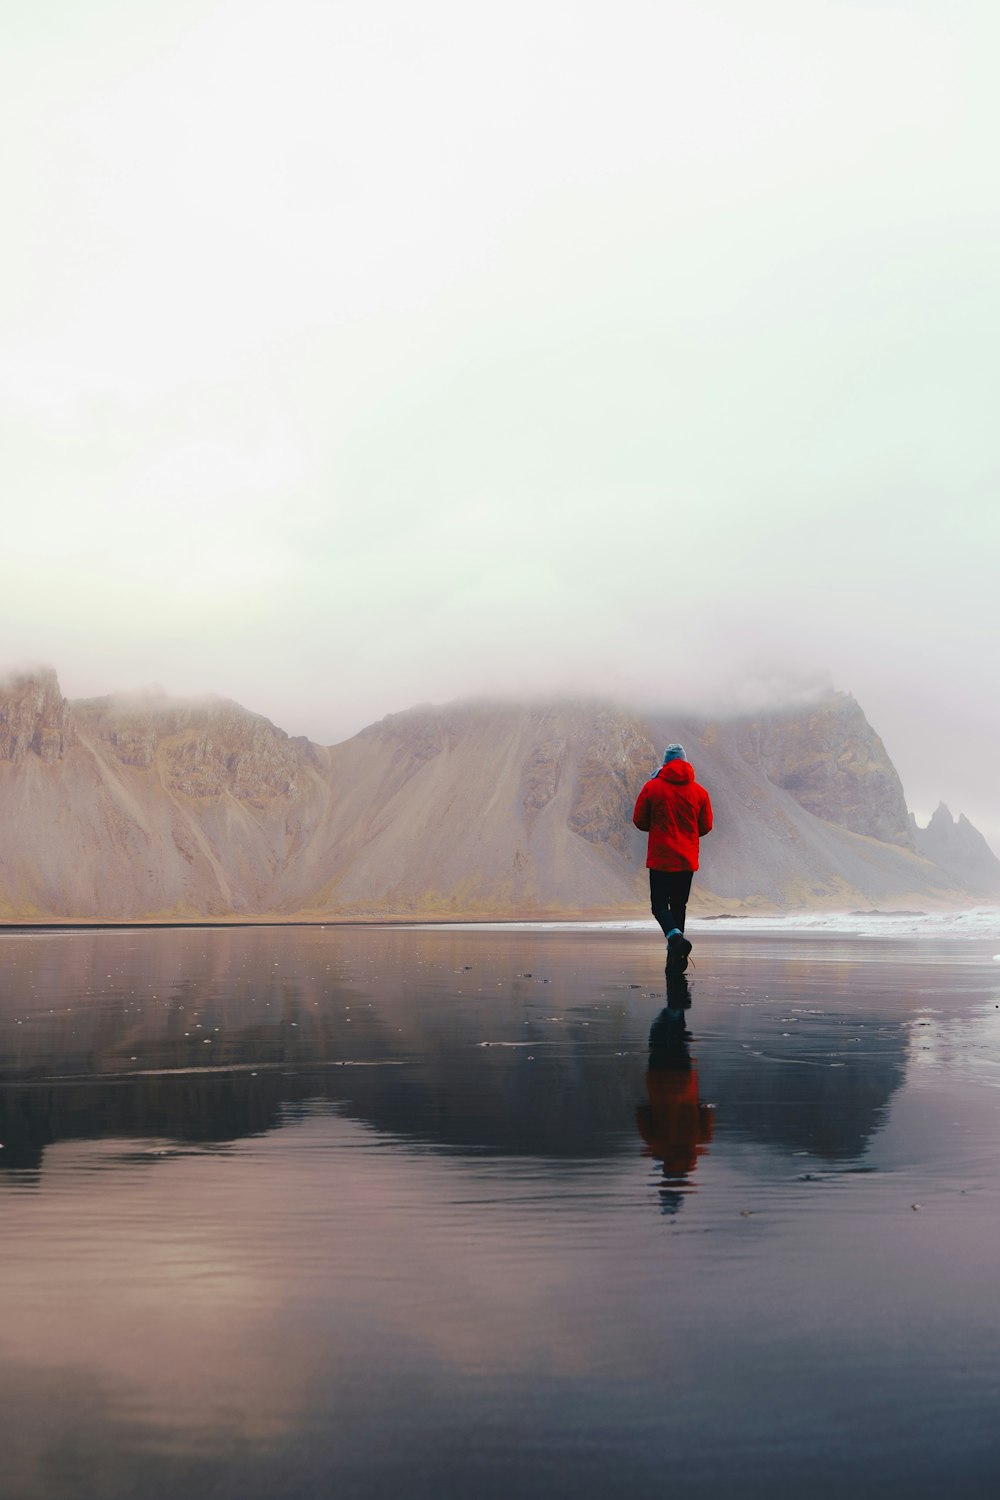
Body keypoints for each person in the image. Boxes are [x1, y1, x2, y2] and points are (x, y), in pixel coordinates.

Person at [632, 743, 713, 970]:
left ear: (665, 763)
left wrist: (658, 827)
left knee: (659, 906)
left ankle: (676, 941)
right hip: (687, 859)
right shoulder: (700, 792)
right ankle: (676, 957)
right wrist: (688, 834)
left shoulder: (652, 788)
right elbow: (706, 826)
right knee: (679, 905)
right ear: (685, 762)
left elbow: (639, 820)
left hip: (661, 857)